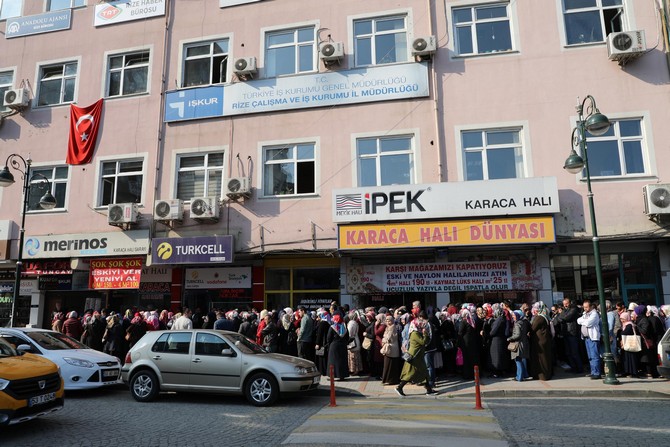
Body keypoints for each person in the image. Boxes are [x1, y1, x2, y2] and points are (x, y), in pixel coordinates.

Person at [395, 319, 437, 396]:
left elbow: (426, 341)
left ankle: (429, 390)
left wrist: (425, 334)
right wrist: (425, 334)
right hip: (414, 357)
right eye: (420, 324)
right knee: (410, 373)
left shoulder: (418, 332)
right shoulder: (415, 333)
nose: (422, 325)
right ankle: (399, 387)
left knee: (424, 372)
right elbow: (423, 342)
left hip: (418, 357)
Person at [554, 297, 583, 374]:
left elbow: (565, 318)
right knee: (568, 353)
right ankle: (573, 367)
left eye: (566, 304)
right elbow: (559, 318)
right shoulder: (564, 310)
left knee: (574, 352)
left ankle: (579, 368)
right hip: (566, 333)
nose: (565, 305)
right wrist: (561, 317)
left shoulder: (573, 309)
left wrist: (561, 317)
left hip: (572, 332)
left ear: (570, 303)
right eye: (564, 304)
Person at [577, 299, 602, 379]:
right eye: (584, 307)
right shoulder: (585, 314)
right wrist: (584, 320)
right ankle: (593, 371)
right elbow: (578, 320)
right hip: (586, 338)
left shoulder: (594, 314)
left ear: (591, 306)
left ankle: (597, 373)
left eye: (586, 307)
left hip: (593, 338)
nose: (585, 309)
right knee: (590, 356)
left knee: (594, 356)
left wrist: (584, 321)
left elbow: (588, 323)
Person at [530, 302, 553, 381]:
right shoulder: (544, 316)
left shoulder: (539, 317)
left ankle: (543, 375)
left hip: (540, 341)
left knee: (541, 359)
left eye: (536, 309)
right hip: (543, 340)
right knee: (544, 358)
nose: (534, 310)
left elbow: (533, 328)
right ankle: (543, 374)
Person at [634, 305, 659, 378]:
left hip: (645, 341)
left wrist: (636, 326)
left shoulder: (644, 320)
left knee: (647, 358)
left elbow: (645, 331)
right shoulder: (639, 319)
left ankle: (649, 373)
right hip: (641, 341)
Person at [457, 307, 481, 380]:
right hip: (472, 342)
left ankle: (467, 375)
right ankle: (474, 374)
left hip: (465, 343)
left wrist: (458, 343)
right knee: (472, 359)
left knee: (466, 359)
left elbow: (460, 333)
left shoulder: (463, 322)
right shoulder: (472, 321)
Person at [508, 310, 531, 381]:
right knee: (521, 359)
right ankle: (524, 374)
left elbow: (517, 335)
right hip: (524, 343)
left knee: (518, 360)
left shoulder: (517, 324)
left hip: (518, 344)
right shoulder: (524, 322)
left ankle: (519, 377)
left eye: (514, 315)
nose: (513, 317)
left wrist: (510, 338)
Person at [326, 311, 349, 381]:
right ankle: (342, 376)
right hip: (343, 346)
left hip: (334, 346)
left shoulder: (332, 327)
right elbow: (347, 338)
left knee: (333, 361)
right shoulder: (344, 328)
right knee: (342, 361)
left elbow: (328, 338)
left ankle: (332, 376)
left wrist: (329, 345)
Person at [488, 306, 509, 378]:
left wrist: (488, 334)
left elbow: (493, 332)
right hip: (502, 339)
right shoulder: (504, 319)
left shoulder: (498, 320)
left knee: (496, 357)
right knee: (500, 356)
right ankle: (501, 371)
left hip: (496, 340)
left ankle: (496, 372)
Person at [381, 315, 401, 386]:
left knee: (390, 365)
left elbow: (389, 338)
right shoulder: (388, 328)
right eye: (386, 320)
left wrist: (384, 340)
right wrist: (384, 339)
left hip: (392, 348)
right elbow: (384, 336)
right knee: (387, 364)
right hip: (389, 348)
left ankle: (391, 380)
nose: (387, 322)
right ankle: (387, 379)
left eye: (389, 320)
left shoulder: (392, 327)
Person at [619, 311, 640, 378]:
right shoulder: (625, 325)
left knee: (631, 359)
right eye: (621, 319)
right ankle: (627, 371)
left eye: (623, 319)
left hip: (630, 344)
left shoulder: (629, 325)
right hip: (626, 344)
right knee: (626, 359)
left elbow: (625, 333)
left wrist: (620, 332)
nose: (622, 320)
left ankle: (633, 372)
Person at [346, 310, 363, 376]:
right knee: (356, 356)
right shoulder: (355, 322)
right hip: (356, 339)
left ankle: (354, 370)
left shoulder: (351, 323)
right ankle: (357, 369)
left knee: (353, 356)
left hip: (352, 341)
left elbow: (350, 333)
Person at [314, 309, 331, 376]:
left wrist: (317, 343)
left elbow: (319, 334)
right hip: (326, 343)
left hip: (321, 344)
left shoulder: (322, 323)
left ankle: (322, 371)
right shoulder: (328, 323)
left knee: (321, 358)